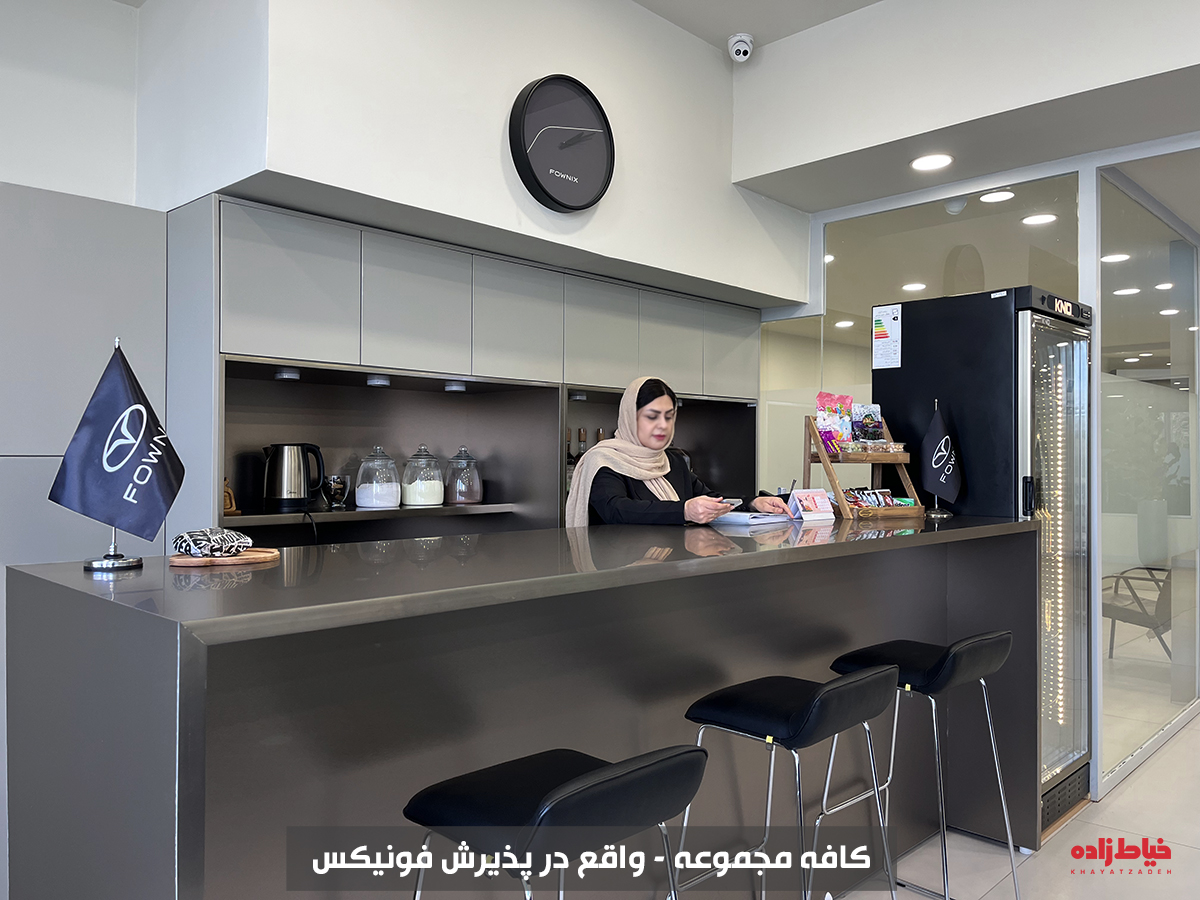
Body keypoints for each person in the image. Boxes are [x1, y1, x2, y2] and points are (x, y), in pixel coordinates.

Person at [564, 376, 793, 526]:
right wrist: (684, 511)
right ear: (630, 417)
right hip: (619, 573)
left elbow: (712, 499)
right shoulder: (604, 460)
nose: (663, 425)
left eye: (669, 416)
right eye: (652, 417)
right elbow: (617, 510)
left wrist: (752, 503)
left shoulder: (671, 461)